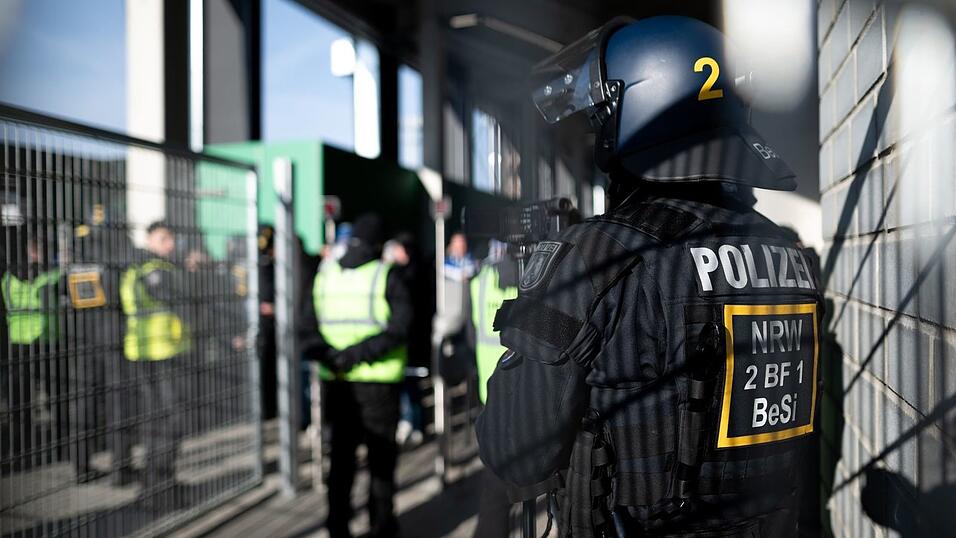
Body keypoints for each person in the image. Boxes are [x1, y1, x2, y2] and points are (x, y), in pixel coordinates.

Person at [476, 16, 824, 537]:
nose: (598, 133)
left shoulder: (595, 255)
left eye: (602, 119)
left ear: (642, 110)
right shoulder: (783, 249)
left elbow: (515, 450)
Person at [300, 213, 412, 538]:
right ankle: (381, 526)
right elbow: (400, 328)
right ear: (379, 244)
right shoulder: (386, 275)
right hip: (379, 383)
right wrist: (356, 355)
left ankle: (337, 527)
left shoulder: (324, 277)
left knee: (341, 460)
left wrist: (335, 357)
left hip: (337, 383)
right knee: (381, 461)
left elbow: (306, 330)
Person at [120, 221, 191, 509]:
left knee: (158, 421)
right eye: (163, 239)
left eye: (171, 239)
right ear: (149, 240)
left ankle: (159, 483)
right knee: (169, 421)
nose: (170, 244)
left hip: (151, 351)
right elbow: (174, 299)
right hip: (159, 352)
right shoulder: (153, 270)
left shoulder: (140, 267)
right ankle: (157, 486)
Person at [469, 239, 519, 538]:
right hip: (530, 391)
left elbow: (470, 331)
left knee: (495, 483)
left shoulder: (481, 278)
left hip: (490, 388)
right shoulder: (534, 273)